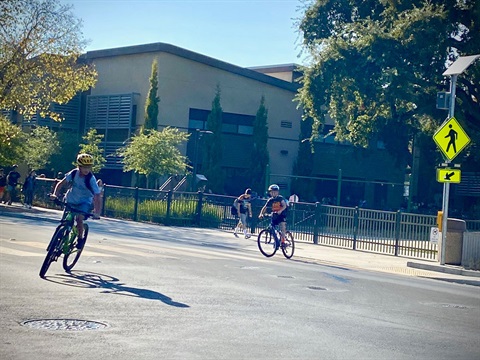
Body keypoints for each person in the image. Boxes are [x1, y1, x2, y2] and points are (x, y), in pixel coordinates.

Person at [50, 153, 101, 248]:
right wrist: (54, 194)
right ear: (79, 166)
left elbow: (97, 195)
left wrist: (97, 212)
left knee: (79, 219)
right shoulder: (73, 173)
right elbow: (61, 184)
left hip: (84, 202)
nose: (86, 170)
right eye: (84, 167)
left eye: (88, 167)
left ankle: (80, 238)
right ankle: (58, 240)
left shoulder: (91, 179)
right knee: (65, 221)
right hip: (70, 199)